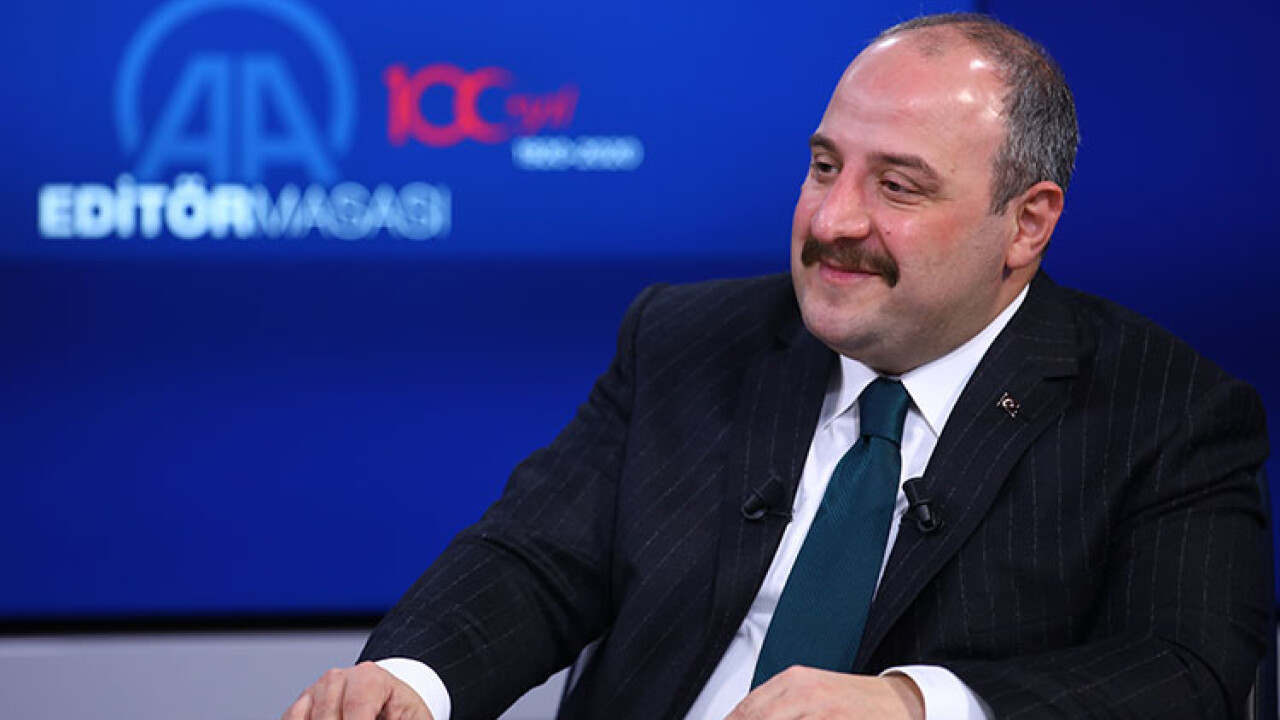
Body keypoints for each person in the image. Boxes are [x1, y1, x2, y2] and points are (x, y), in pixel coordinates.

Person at [282, 12, 1271, 720]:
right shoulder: (687, 338)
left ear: (1026, 223)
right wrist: (410, 683)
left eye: (897, 187)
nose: (832, 219)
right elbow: (534, 559)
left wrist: (912, 705)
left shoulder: (1167, 413)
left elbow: (1186, 673)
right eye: (824, 165)